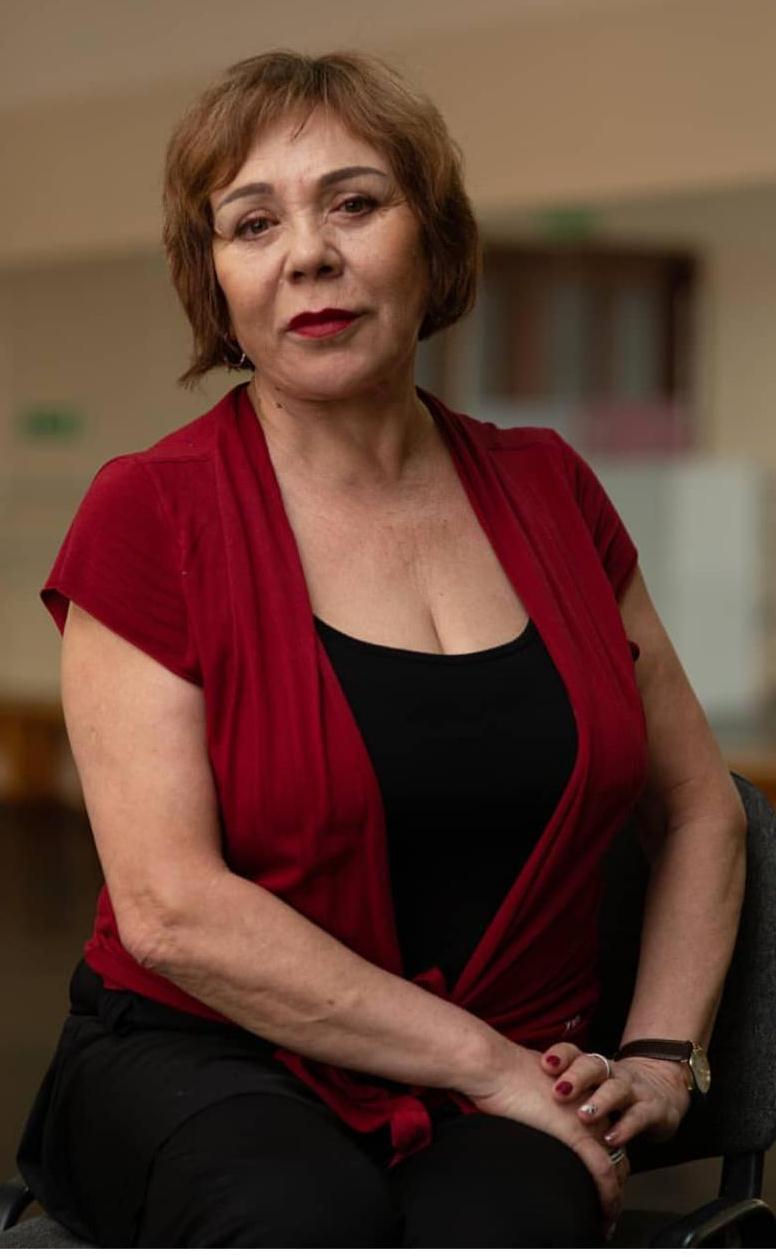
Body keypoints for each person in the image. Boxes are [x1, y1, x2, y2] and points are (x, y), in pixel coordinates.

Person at [18, 49, 745, 1248]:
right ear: (217, 281)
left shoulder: (551, 488)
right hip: (207, 1057)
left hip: (522, 1067)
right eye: (253, 223)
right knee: (296, 1216)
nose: (307, 254)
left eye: (353, 203)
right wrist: (489, 1067)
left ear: (433, 241)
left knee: (503, 1228)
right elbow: (169, 911)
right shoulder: (151, 510)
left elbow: (698, 805)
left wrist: (662, 1058)